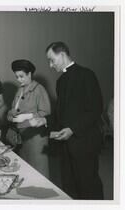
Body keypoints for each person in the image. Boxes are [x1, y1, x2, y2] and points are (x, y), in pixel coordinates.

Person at [30, 42, 104, 199]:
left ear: (62, 55)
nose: (50, 65)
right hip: (66, 146)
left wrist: (72, 129)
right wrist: (43, 120)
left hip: (84, 143)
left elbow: (95, 110)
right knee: (69, 189)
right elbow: (60, 113)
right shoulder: (61, 81)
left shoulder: (86, 74)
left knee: (89, 187)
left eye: (52, 60)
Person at [6, 59, 51, 178]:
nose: (19, 80)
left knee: (39, 170)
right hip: (22, 136)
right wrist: (12, 115)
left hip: (36, 136)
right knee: (26, 169)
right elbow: (11, 111)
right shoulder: (20, 90)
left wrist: (28, 116)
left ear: (29, 74)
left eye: (21, 76)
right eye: (17, 77)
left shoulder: (39, 89)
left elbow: (46, 112)